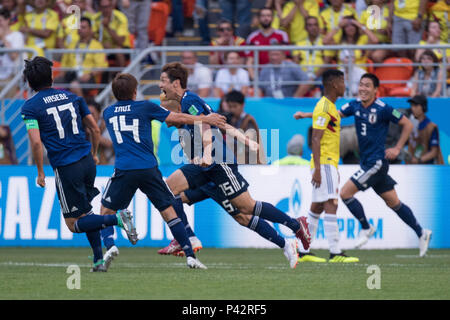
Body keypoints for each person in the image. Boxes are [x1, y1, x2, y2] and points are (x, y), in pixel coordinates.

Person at [158, 62, 311, 268]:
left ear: (176, 83)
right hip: (204, 168)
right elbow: (220, 123)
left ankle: (294, 227)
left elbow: (205, 126)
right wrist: (245, 139)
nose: (160, 86)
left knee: (246, 210)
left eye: (163, 81)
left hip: (217, 163)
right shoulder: (185, 106)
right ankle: (187, 238)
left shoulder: (189, 101)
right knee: (169, 190)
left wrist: (206, 152)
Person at [294, 73, 433, 257]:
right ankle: (421, 232)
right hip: (367, 163)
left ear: (376, 90)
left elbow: (407, 124)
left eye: (367, 86)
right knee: (394, 202)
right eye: (361, 85)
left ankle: (366, 227)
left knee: (344, 193)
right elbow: (331, 115)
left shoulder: (384, 108)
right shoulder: (354, 105)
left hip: (375, 163)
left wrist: (398, 148)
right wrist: (306, 115)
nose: (363, 89)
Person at [21, 57, 137, 272]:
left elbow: (36, 142)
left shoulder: (30, 107)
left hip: (66, 167)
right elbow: (94, 129)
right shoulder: (73, 97)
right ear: (52, 76)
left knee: (74, 224)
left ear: (29, 82)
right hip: (86, 161)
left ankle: (117, 219)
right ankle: (98, 260)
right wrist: (94, 154)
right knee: (85, 212)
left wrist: (40, 172)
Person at [100, 73, 227, 270]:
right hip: (148, 168)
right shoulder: (145, 106)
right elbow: (176, 117)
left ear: (114, 93)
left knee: (106, 211)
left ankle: (109, 246)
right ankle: (190, 255)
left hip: (124, 169)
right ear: (135, 92)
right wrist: (204, 118)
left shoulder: (107, 112)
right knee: (168, 211)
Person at [293, 69, 359, 263]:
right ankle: (335, 252)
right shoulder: (324, 106)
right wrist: (319, 169)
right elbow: (316, 137)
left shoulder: (327, 106)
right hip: (326, 163)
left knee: (317, 206)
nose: (345, 85)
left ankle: (303, 250)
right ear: (333, 84)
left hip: (327, 163)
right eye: (343, 81)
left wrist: (305, 115)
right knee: (331, 203)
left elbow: (322, 119)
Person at [56, 17, 108, 98]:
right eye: (79, 27)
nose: (80, 30)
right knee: (53, 84)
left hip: (88, 77)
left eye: (83, 27)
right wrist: (61, 74)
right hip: (71, 75)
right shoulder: (72, 44)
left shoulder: (96, 45)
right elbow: (64, 62)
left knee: (74, 85)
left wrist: (90, 74)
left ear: (90, 29)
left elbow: (102, 66)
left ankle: (82, 109)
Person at [246, 7, 290, 80]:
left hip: (279, 74)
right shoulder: (252, 37)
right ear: (259, 18)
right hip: (260, 74)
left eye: (268, 16)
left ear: (272, 18)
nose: (266, 18)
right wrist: (256, 81)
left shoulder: (282, 35)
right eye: (263, 16)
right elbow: (249, 62)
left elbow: (286, 58)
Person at [224, 90, 266, 164]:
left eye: (235, 106)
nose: (232, 109)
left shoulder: (248, 121)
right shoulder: (231, 119)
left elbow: (249, 144)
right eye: (230, 106)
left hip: (250, 162)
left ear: (242, 105)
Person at [292, 15, 328, 95]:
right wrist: (305, 77)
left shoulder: (325, 42)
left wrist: (313, 77)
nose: (313, 27)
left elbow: (326, 63)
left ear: (319, 27)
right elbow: (295, 63)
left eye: (315, 25)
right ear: (305, 28)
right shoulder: (299, 43)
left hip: (319, 76)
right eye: (310, 25)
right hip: (302, 76)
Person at [407, 94, 444, 165]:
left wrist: (419, 160)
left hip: (429, 168)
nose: (412, 108)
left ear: (423, 107)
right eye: (411, 105)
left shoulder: (431, 127)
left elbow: (434, 152)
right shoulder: (410, 125)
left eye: (416, 105)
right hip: (413, 168)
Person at [92, 0, 130, 68]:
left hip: (121, 47)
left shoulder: (121, 18)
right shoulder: (95, 18)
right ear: (99, 8)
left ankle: (121, 76)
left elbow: (121, 42)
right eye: (103, 7)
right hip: (102, 47)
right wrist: (102, 45)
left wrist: (107, 28)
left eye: (107, 7)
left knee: (118, 50)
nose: (105, 9)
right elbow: (91, 37)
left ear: (112, 6)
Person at [0, 7, 24, 98]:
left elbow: (13, 55)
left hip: (11, 77)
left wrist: (3, 38)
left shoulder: (17, 36)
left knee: (8, 106)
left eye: (0, 20)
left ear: (7, 20)